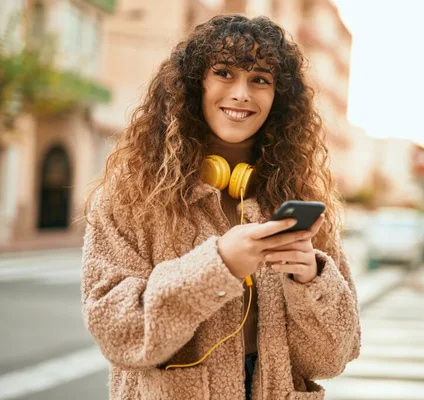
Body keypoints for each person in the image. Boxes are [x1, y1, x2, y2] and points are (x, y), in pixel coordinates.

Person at [81, 14, 360, 400]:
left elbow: (333, 358)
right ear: (196, 85)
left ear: (278, 98)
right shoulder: (130, 197)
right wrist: (218, 266)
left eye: (260, 79)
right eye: (225, 73)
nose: (242, 93)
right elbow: (119, 332)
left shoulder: (296, 200)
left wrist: (311, 279)